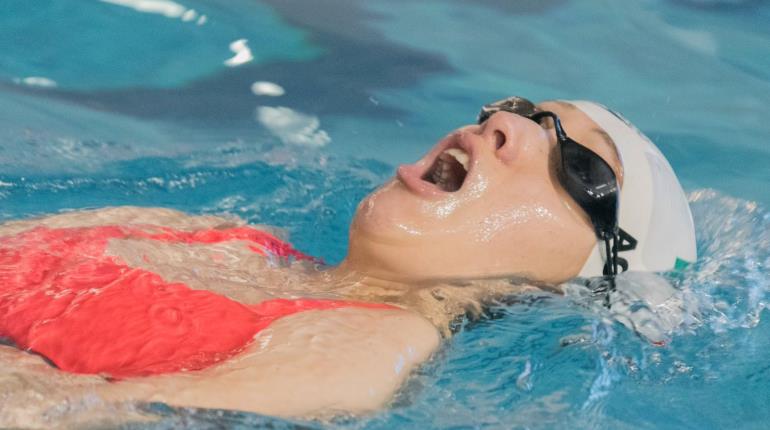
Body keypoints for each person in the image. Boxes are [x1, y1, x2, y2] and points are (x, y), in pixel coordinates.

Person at [0, 97, 696, 425]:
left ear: (581, 282)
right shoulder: (225, 235)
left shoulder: (373, 344)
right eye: (518, 109)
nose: (503, 126)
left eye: (579, 168)